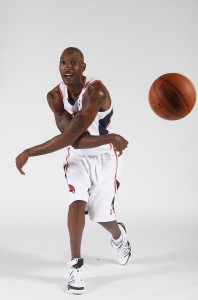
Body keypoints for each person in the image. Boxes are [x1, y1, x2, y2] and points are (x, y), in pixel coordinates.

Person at [16, 47, 131, 295]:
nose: (67, 67)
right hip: (78, 156)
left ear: (83, 67)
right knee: (76, 202)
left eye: (73, 62)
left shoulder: (96, 92)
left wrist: (30, 152)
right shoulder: (55, 97)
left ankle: (118, 236)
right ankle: (76, 266)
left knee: (101, 217)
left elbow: (72, 135)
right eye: (63, 62)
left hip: (104, 158)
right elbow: (72, 140)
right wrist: (110, 136)